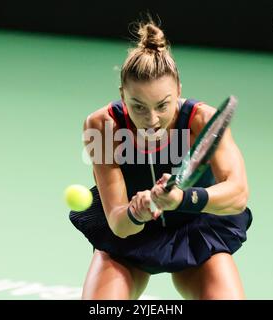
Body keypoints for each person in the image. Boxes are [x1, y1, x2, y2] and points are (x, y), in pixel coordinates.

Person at [70, 19, 253, 300]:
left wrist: (183, 199)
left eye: (162, 105)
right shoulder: (104, 126)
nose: (151, 119)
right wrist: (137, 212)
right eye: (138, 106)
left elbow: (238, 193)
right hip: (130, 240)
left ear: (179, 89)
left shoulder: (201, 121)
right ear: (122, 96)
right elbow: (119, 223)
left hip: (195, 232)